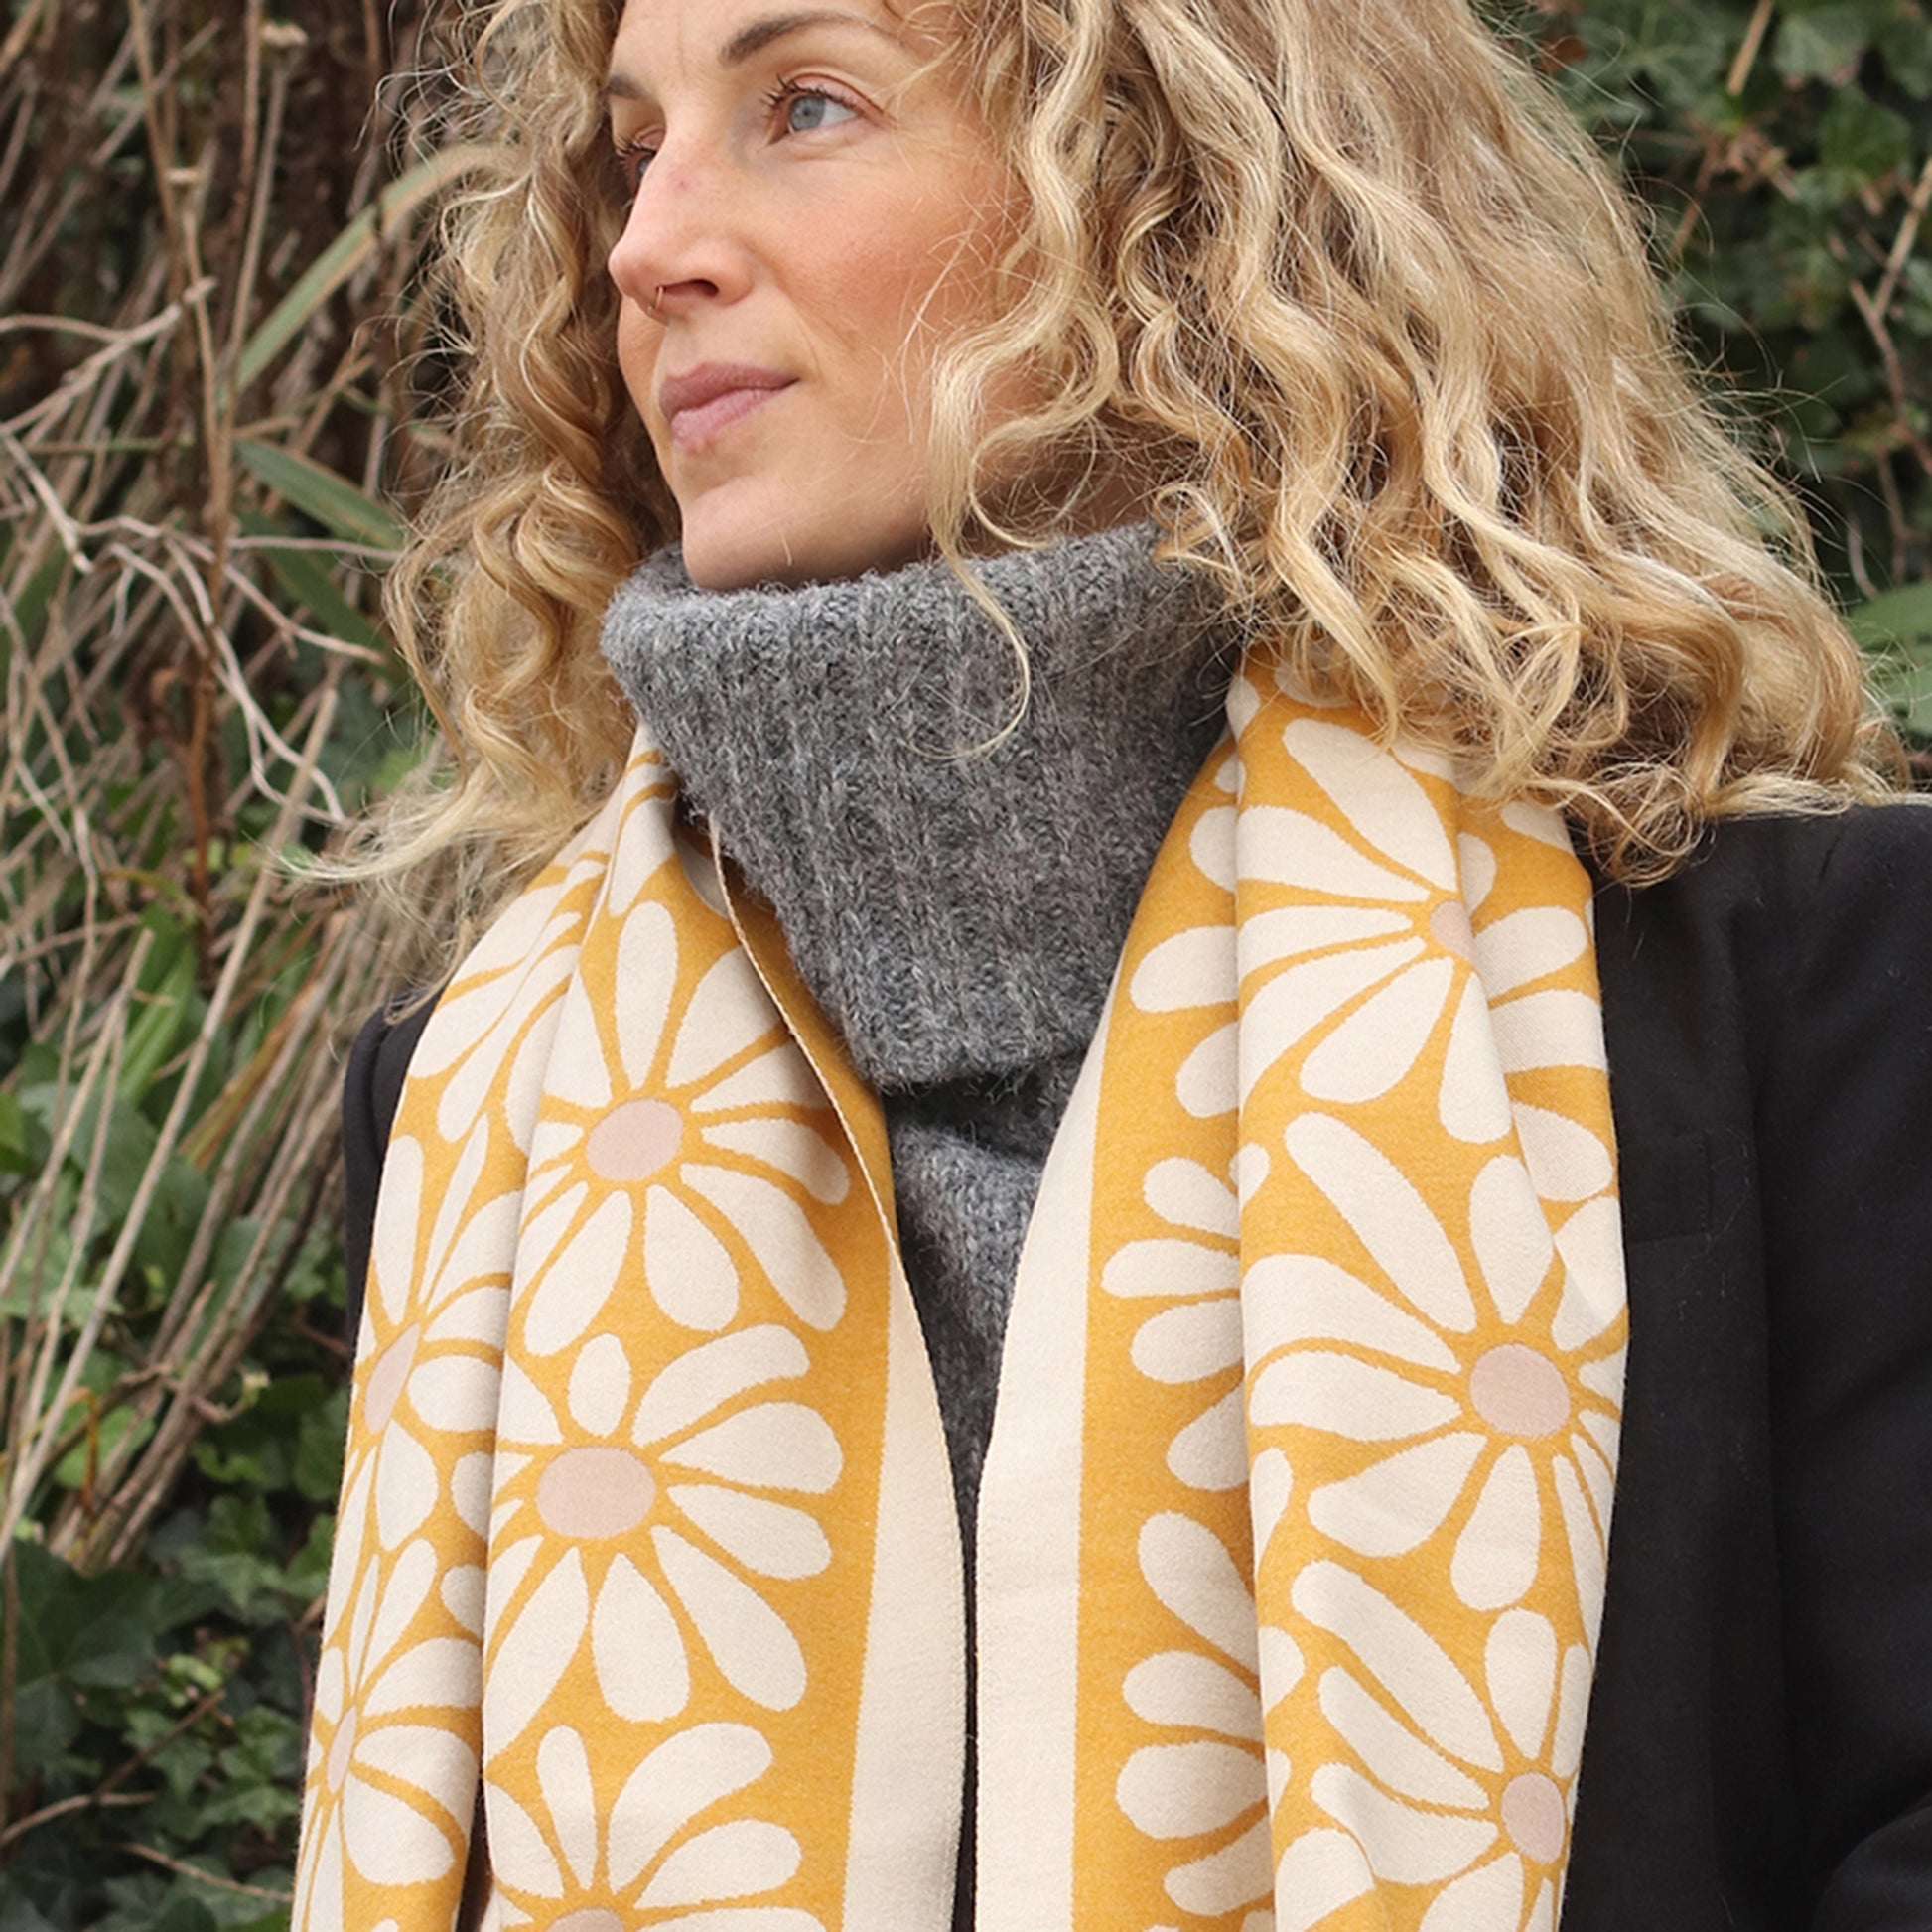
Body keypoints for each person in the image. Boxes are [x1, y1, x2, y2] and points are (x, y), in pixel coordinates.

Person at [295, 0, 1932, 1926]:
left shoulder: (1803, 996)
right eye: (630, 147)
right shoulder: (479, 1115)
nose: (649, 245)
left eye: (800, 105)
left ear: (1166, 181)